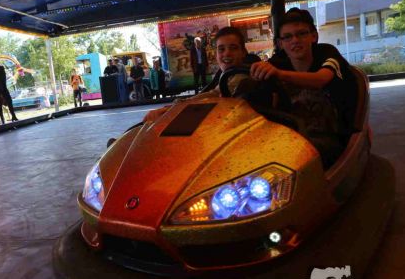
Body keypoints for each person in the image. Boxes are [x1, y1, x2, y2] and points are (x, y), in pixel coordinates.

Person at [250, 9, 357, 166]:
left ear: (313, 36)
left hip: (332, 135)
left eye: (301, 34)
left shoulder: (327, 53)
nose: (295, 40)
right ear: (280, 43)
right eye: (287, 37)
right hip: (293, 136)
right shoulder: (277, 62)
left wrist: (279, 74)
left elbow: (321, 79)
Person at [143, 26, 249, 122]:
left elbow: (215, 95)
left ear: (243, 52)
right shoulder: (225, 74)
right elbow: (214, 93)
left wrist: (174, 108)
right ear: (216, 53)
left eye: (233, 48)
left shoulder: (245, 76)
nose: (227, 53)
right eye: (221, 49)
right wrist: (174, 107)